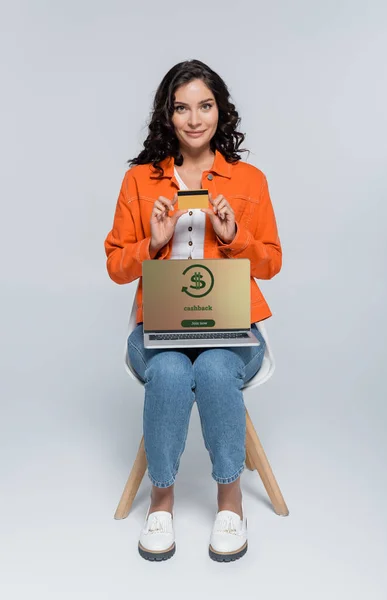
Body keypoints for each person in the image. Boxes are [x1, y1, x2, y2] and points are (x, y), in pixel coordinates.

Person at [104, 59, 282, 563]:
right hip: (158, 329)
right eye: (182, 108)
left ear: (220, 111)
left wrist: (234, 238)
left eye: (205, 106)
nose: (195, 119)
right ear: (168, 116)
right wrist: (151, 243)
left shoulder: (248, 180)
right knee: (167, 370)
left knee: (216, 366)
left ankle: (230, 500)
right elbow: (117, 266)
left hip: (233, 329)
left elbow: (271, 262)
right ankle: (162, 500)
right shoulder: (140, 181)